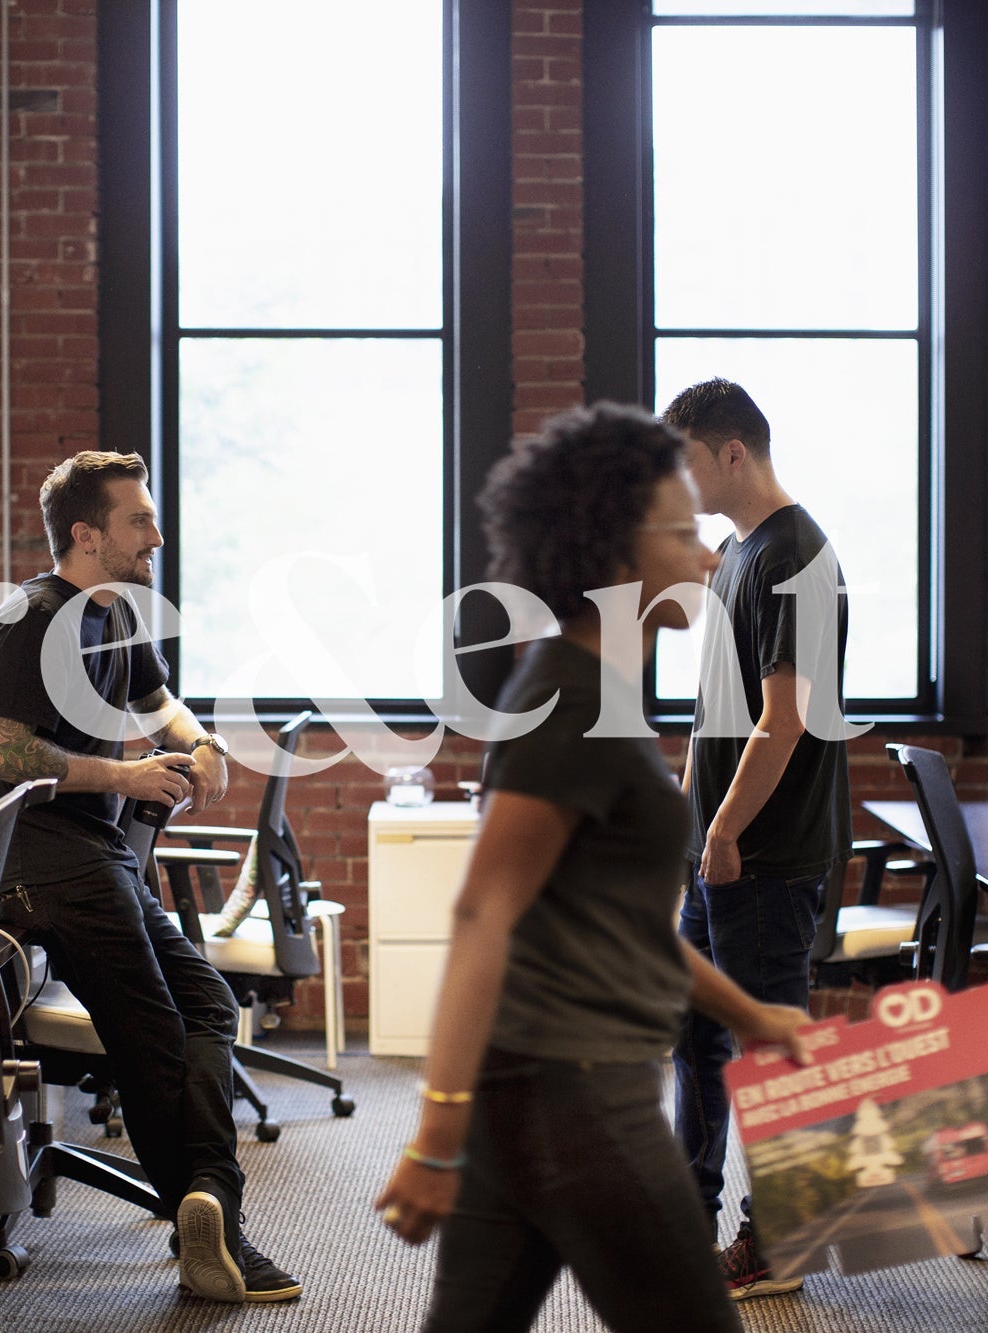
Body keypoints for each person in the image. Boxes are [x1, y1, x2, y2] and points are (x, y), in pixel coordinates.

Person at [373, 402, 814, 1332]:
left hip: (529, 1094)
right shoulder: (569, 701)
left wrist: (750, 1015)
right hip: (579, 1095)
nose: (707, 557)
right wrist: (437, 1127)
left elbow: (617, 923)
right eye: (681, 534)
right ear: (617, 555)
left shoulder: (591, 692)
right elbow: (481, 914)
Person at [0, 450, 300, 1304]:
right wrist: (124, 774)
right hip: (43, 864)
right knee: (152, 1037)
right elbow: (1, 750)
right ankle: (215, 1228)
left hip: (95, 853)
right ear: (86, 535)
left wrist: (201, 743)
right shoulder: (34, 617)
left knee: (207, 1004)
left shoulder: (114, 612)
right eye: (139, 520)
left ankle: (203, 1199)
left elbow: (160, 706)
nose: (157, 535)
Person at [661, 377, 852, 1300]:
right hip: (718, 850)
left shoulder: (795, 557)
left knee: (770, 1057)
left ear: (731, 452)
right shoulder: (737, 552)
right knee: (695, 1035)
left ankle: (780, 1242)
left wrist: (727, 828)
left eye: (685, 460)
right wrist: (689, 823)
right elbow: (716, 714)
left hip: (764, 857)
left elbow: (783, 720)